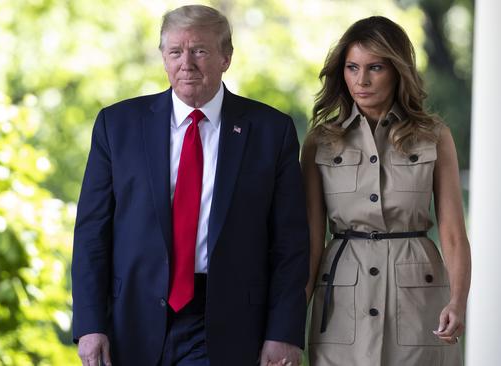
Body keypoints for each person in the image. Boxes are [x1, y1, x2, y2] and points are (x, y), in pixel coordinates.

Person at [72, 4, 309, 366]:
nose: (187, 63)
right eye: (175, 52)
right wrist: (89, 324)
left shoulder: (270, 132)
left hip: (228, 325)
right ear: (163, 58)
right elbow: (92, 235)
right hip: (133, 321)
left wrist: (283, 332)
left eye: (200, 50)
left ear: (226, 57)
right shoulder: (117, 126)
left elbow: (290, 244)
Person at [301, 16, 471, 365]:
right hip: (341, 298)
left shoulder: (434, 135)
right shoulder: (321, 140)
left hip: (418, 295)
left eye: (374, 67)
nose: (361, 80)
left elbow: (453, 233)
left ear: (397, 70)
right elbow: (310, 240)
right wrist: (289, 318)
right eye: (351, 67)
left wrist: (457, 301)